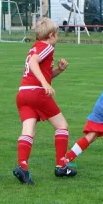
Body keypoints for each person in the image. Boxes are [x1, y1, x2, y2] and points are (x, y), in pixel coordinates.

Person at [13, 18, 75, 185]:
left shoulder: (34, 47)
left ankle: (22, 167)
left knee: (28, 130)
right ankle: (61, 166)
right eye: (57, 34)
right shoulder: (47, 46)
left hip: (23, 94)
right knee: (62, 125)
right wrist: (45, 83)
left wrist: (58, 71)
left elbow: (38, 70)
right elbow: (34, 64)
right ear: (52, 35)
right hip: (36, 93)